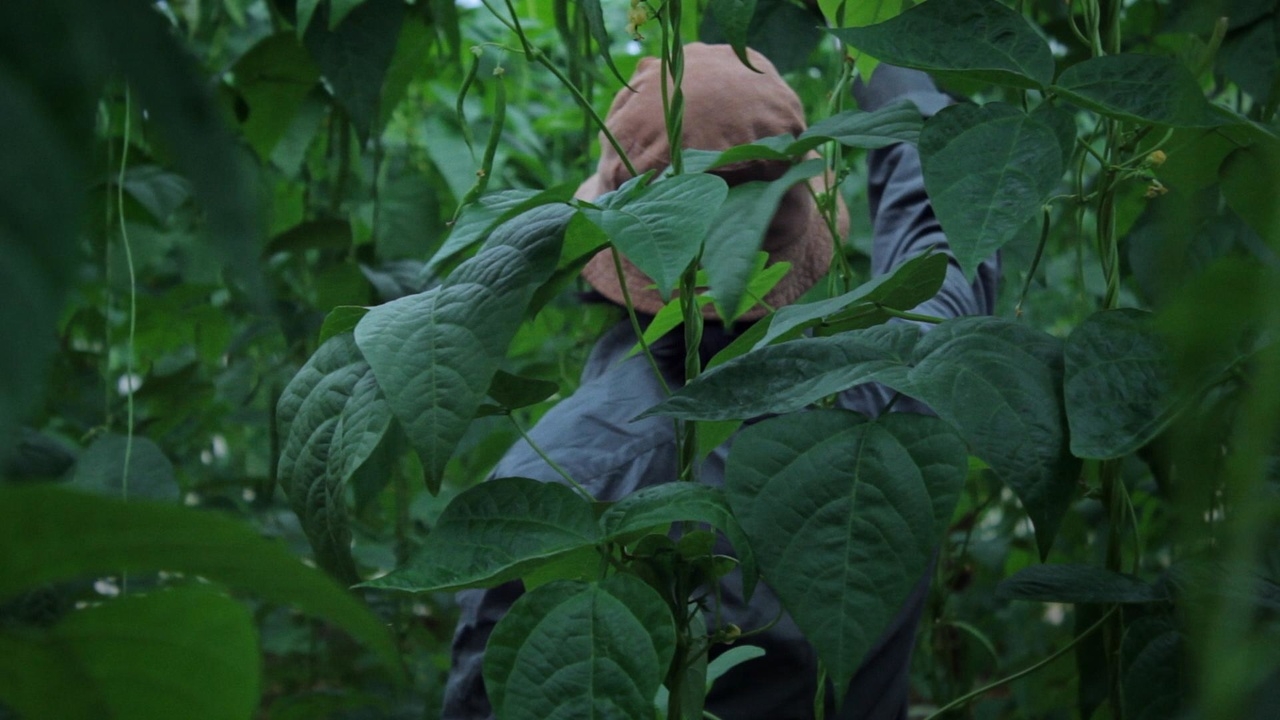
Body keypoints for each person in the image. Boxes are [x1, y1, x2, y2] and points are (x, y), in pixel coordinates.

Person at [443, 43, 999, 720]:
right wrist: (881, 48)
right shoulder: (907, 376)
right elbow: (947, 229)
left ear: (610, 238)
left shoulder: (552, 481)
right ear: (805, 225)